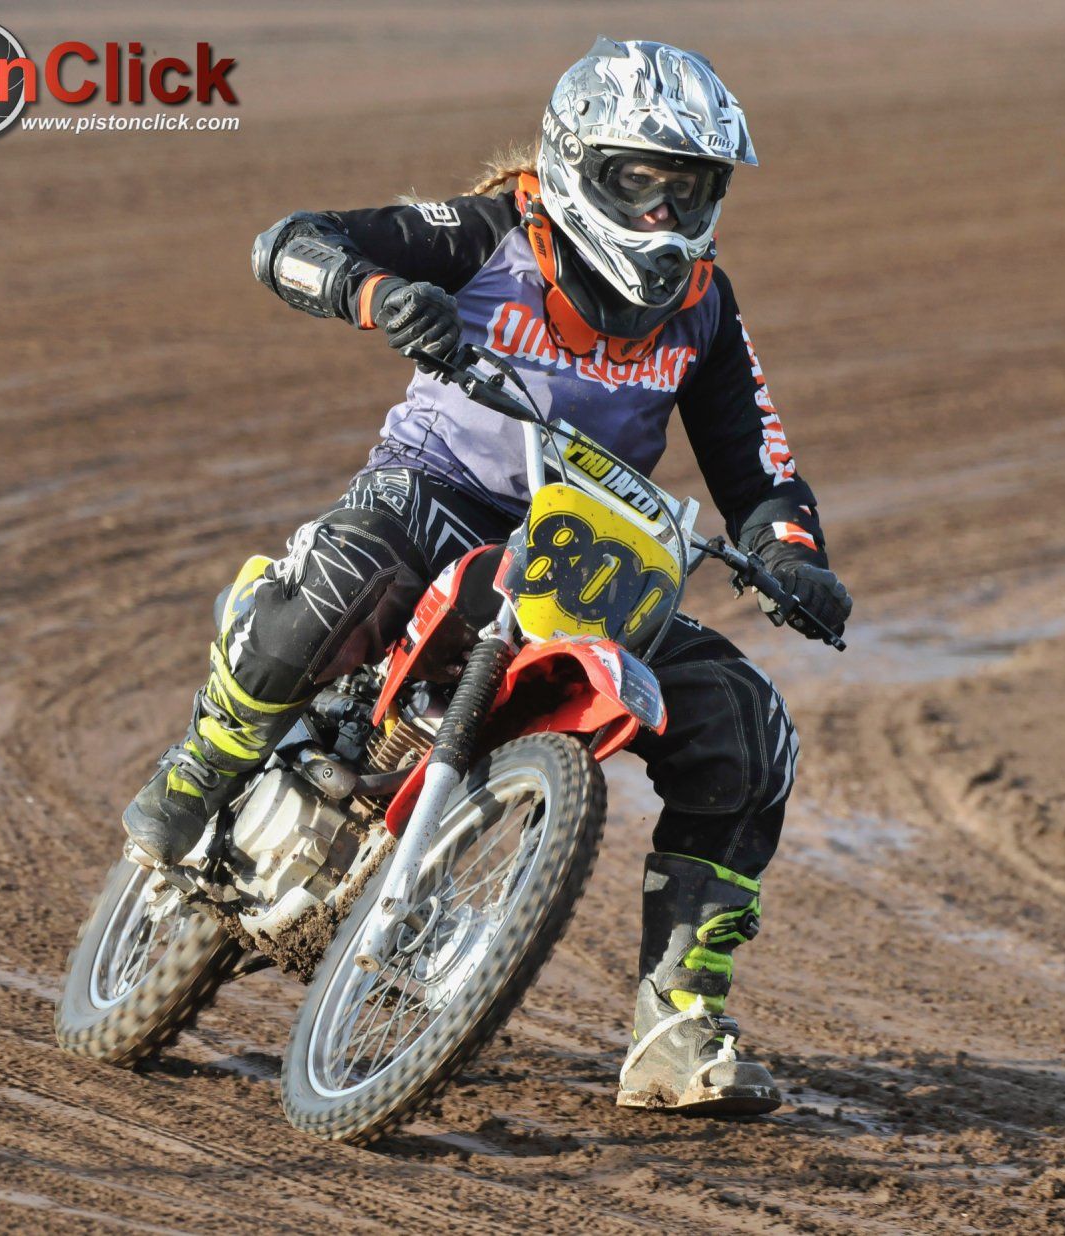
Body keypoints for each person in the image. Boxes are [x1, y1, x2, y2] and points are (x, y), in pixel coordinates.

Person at [118, 38, 850, 1117]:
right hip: (437, 496)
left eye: (685, 187)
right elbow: (290, 244)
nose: (660, 214)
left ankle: (676, 1020)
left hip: (587, 549)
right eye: (636, 180)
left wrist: (792, 559)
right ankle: (203, 766)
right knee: (338, 578)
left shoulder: (703, 303)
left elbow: (759, 465)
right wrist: (374, 293)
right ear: (572, 163)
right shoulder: (491, 229)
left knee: (748, 729)